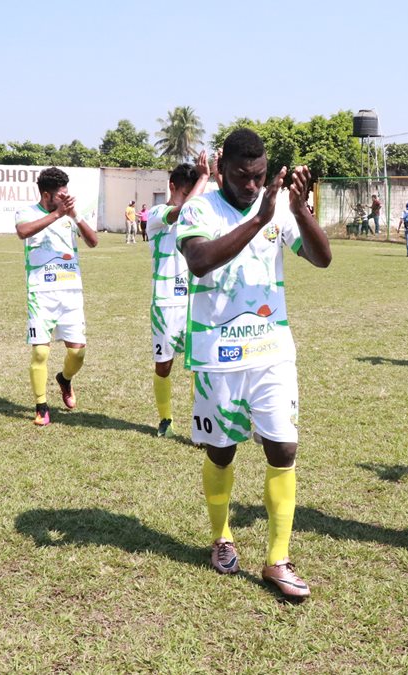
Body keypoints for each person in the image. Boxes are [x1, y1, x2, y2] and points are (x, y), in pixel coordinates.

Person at [176, 128, 331, 599]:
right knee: (221, 451)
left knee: (283, 448)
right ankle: (222, 537)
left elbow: (322, 258)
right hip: (217, 355)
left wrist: (298, 209)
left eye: (260, 176)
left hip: (271, 352)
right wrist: (258, 219)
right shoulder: (199, 210)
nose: (251, 185)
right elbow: (200, 261)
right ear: (221, 168)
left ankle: (277, 560)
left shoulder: (279, 207)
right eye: (243, 176)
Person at [16, 167, 99, 426]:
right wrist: (56, 215)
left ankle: (64, 379)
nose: (66, 198)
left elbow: (93, 241)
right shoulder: (27, 212)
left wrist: (74, 216)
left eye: (67, 193)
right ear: (46, 195)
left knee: (78, 354)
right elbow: (23, 232)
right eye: (60, 195)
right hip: (41, 293)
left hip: (71, 292)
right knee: (40, 352)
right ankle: (41, 406)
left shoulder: (71, 213)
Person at [147, 151, 211, 437]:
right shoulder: (157, 215)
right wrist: (206, 177)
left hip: (195, 300)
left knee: (203, 366)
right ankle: (166, 419)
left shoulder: (197, 214)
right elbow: (180, 212)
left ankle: (202, 426)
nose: (190, 200)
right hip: (166, 303)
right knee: (164, 365)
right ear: (172, 187)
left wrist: (215, 176)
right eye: (186, 193)